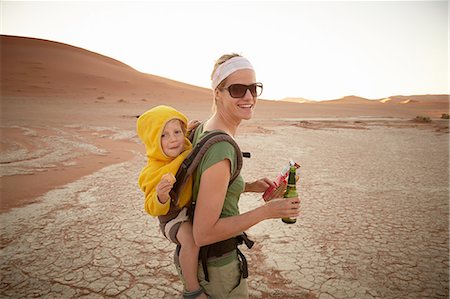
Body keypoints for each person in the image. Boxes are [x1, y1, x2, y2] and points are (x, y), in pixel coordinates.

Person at [175, 53, 301, 298]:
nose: (249, 97)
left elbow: (205, 186)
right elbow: (203, 233)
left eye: (254, 89)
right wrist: (267, 212)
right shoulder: (221, 148)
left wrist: (250, 186)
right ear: (217, 93)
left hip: (206, 266)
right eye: (237, 89)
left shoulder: (204, 129)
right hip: (217, 272)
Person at [136, 105, 208, 299]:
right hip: (172, 218)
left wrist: (190, 130)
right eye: (163, 135)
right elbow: (150, 207)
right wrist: (161, 195)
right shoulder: (152, 172)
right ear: (152, 140)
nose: (174, 139)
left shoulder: (185, 148)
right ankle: (192, 289)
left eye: (177, 132)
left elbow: (189, 142)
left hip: (189, 208)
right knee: (190, 241)